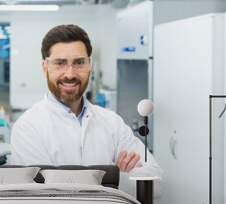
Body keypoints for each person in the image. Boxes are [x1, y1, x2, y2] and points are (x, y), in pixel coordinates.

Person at [10, 24, 162, 178]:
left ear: (90, 65)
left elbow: (155, 181)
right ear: (45, 68)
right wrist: (115, 176)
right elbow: (42, 193)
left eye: (79, 62)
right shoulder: (27, 127)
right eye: (60, 63)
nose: (70, 74)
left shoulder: (112, 123)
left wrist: (114, 179)